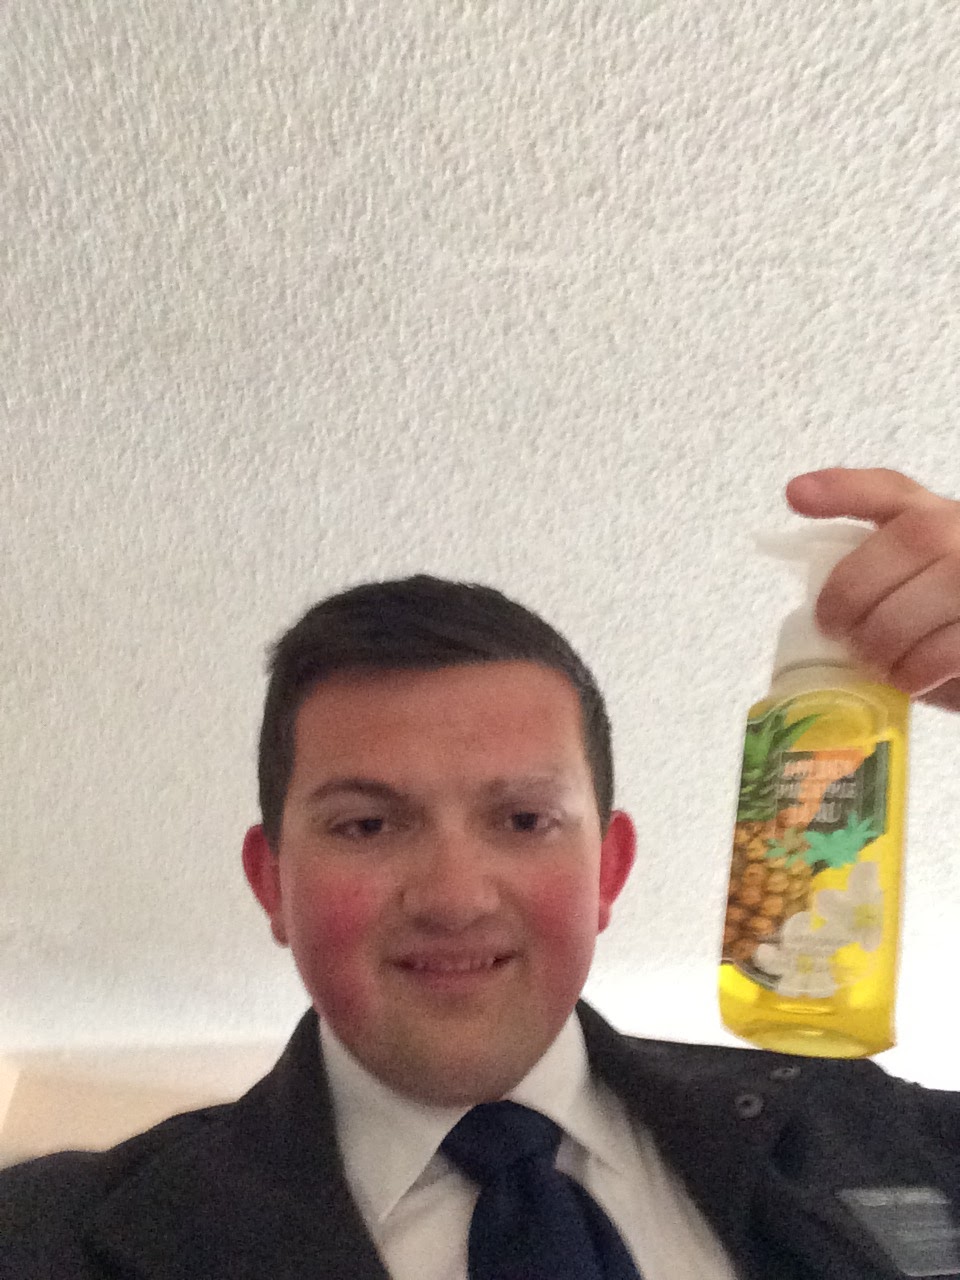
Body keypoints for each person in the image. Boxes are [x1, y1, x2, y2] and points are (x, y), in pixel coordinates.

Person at [2, 466, 960, 1279]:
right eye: (367, 824)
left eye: (524, 820)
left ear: (608, 872)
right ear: (271, 883)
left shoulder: (887, 1137)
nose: (455, 899)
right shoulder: (45, 1239)